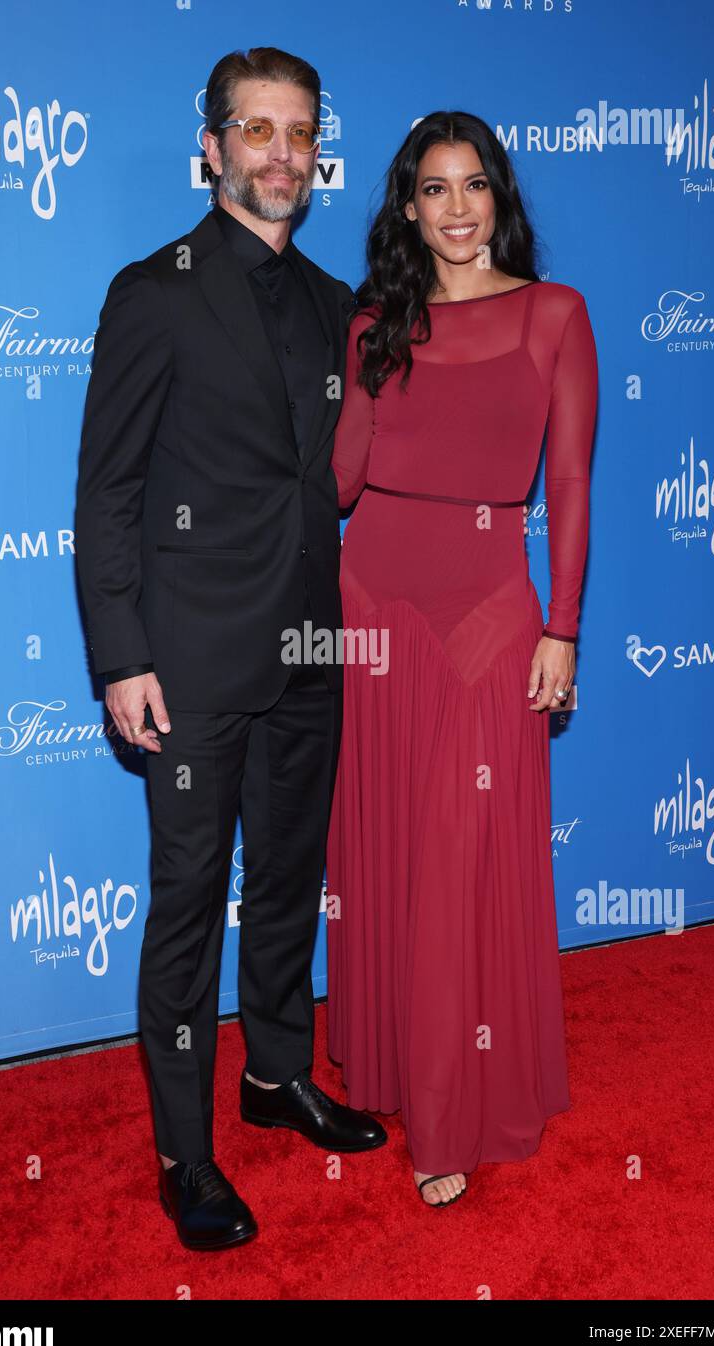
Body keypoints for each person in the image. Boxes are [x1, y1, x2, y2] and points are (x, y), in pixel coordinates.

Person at [74, 46, 386, 1253]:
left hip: (309, 648)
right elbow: (106, 493)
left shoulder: (330, 305)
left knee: (289, 885)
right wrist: (121, 654)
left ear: (318, 150)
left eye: (298, 132)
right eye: (254, 129)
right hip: (191, 663)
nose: (278, 153)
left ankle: (274, 1077)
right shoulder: (151, 291)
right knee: (188, 907)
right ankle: (183, 1152)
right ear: (211, 147)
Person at [325, 111, 598, 1208]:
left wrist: (560, 626)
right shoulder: (370, 325)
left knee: (454, 856)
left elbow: (569, 484)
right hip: (369, 602)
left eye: (471, 185)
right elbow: (340, 485)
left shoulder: (553, 315)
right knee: (385, 853)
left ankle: (447, 1113)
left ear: (499, 198)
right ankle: (393, 1066)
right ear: (403, 208)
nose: (453, 208)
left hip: (490, 611)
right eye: (430, 189)